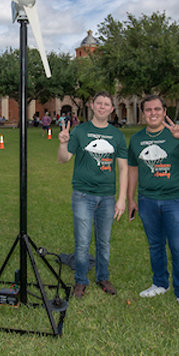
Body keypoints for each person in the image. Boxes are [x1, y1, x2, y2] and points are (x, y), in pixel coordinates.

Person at [128, 95, 179, 314]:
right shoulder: (136, 140)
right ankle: (160, 283)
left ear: (165, 112)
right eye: (148, 110)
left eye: (157, 109)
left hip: (176, 200)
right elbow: (133, 169)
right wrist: (131, 198)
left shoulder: (176, 135)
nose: (152, 113)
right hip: (147, 200)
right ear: (142, 113)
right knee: (155, 245)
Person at [58, 91, 128, 298]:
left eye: (107, 104)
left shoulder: (117, 135)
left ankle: (102, 277)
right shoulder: (80, 131)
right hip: (83, 195)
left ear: (112, 109)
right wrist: (63, 142)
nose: (102, 107)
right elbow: (64, 159)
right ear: (92, 105)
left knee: (104, 241)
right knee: (82, 241)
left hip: (107, 196)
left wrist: (122, 198)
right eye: (99, 103)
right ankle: (81, 280)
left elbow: (123, 168)